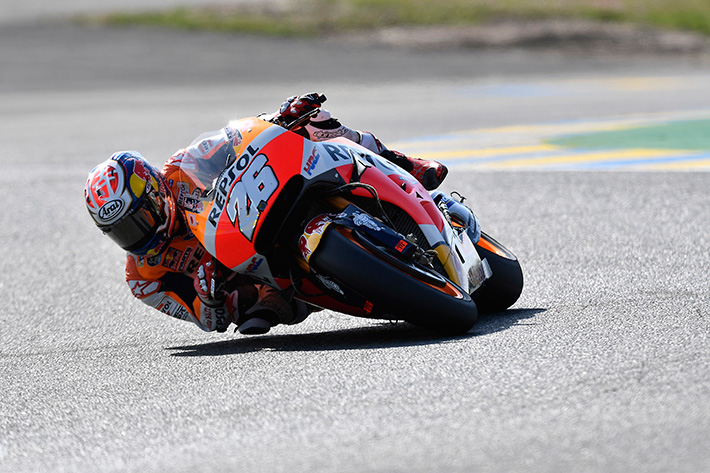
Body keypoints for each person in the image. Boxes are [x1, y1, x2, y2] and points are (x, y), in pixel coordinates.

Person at [84, 93, 450, 335]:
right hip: (263, 281)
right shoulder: (144, 278)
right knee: (252, 315)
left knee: (316, 124)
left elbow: (239, 139)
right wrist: (208, 297)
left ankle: (406, 164)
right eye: (122, 231)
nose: (139, 234)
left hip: (260, 211)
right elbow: (209, 322)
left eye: (140, 218)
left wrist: (280, 117)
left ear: (154, 190)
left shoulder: (181, 168)